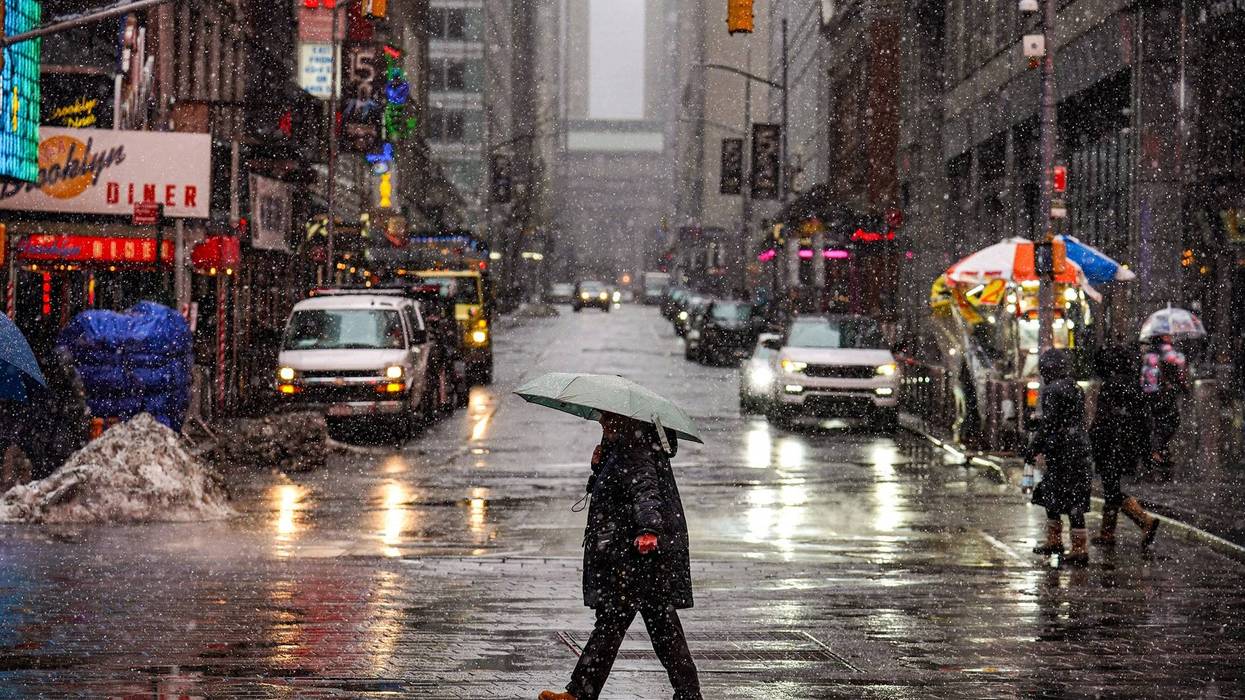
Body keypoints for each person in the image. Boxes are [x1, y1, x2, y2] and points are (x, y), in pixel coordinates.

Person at [539, 412, 702, 700]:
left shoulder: (634, 447)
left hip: (637, 554)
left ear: (623, 419)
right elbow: (616, 489)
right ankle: (688, 694)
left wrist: (649, 529)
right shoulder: (623, 445)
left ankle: (580, 693)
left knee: (620, 622)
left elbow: (646, 489)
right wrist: (598, 466)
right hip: (632, 554)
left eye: (606, 418)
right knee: (654, 625)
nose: (601, 423)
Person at [1025, 349, 1093, 566]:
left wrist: (1034, 447)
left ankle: (1062, 543)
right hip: (1079, 448)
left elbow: (1050, 424)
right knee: (1074, 498)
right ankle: (1077, 545)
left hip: (1062, 451)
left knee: (1053, 493)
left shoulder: (1051, 390)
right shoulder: (1075, 388)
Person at [1090, 345, 1160, 549]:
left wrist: (1093, 442)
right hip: (1126, 446)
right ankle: (1107, 533)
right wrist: (1144, 451)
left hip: (1109, 444)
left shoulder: (1111, 386)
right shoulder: (1134, 386)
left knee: (1111, 490)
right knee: (1112, 488)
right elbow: (1143, 421)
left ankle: (1144, 521)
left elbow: (1102, 419)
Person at [1141, 335, 1187, 482]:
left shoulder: (1149, 356)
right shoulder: (1171, 355)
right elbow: (1179, 370)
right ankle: (1158, 452)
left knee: (1160, 422)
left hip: (1153, 394)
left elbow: (1144, 377)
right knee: (1167, 422)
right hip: (1163, 394)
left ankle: (1160, 452)